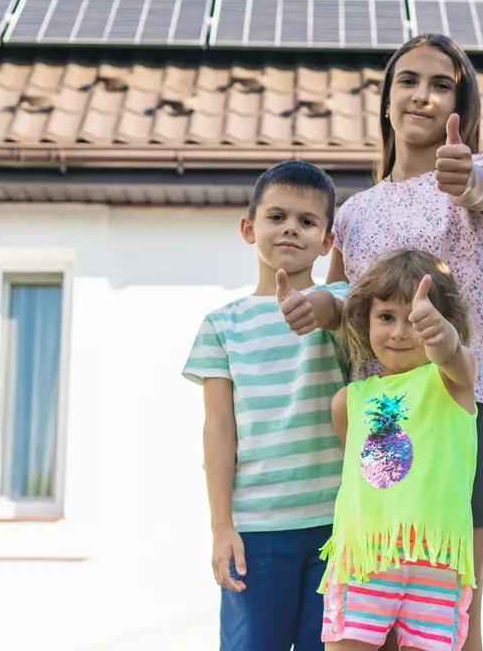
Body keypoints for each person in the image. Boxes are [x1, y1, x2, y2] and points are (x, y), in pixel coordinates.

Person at [326, 34, 483, 651]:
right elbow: (338, 299)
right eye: (407, 81)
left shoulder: (476, 176)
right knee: (366, 618)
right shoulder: (353, 212)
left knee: (457, 622)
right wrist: (308, 305)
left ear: (461, 100)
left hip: (458, 408)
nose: (422, 96)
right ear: (386, 100)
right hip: (377, 417)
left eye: (441, 84)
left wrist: (463, 178)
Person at [182, 160, 351, 651]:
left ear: (326, 241)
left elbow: (353, 319)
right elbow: (217, 429)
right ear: (248, 227)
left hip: (338, 525)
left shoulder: (343, 304)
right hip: (256, 530)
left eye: (306, 221)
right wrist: (221, 527)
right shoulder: (221, 325)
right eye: (276, 217)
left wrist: (326, 309)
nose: (290, 230)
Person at [319, 248, 478, 651]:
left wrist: (441, 337)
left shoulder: (453, 382)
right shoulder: (347, 401)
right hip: (364, 557)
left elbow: (455, 358)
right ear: (365, 321)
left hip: (436, 560)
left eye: (416, 320)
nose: (400, 332)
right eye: (386, 317)